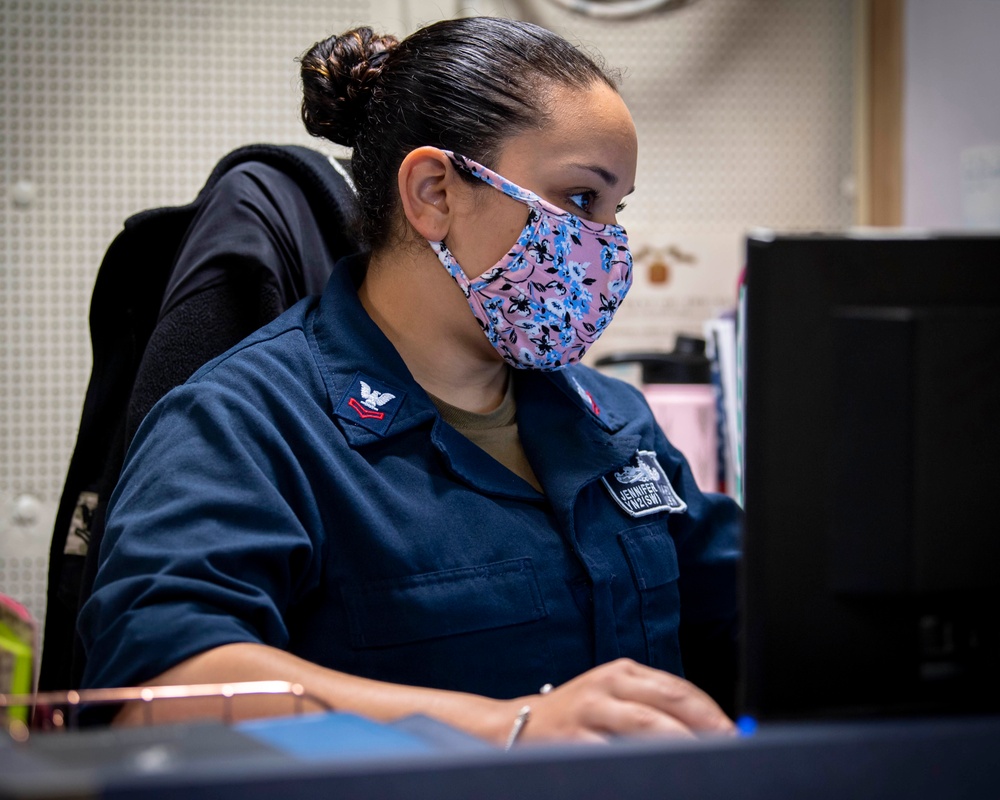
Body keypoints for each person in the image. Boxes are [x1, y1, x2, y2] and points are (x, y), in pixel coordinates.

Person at [78, 16, 742, 747]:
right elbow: (167, 684)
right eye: (582, 200)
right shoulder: (245, 424)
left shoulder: (611, 420)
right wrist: (507, 728)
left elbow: (755, 610)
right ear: (433, 191)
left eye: (618, 212)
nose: (607, 250)